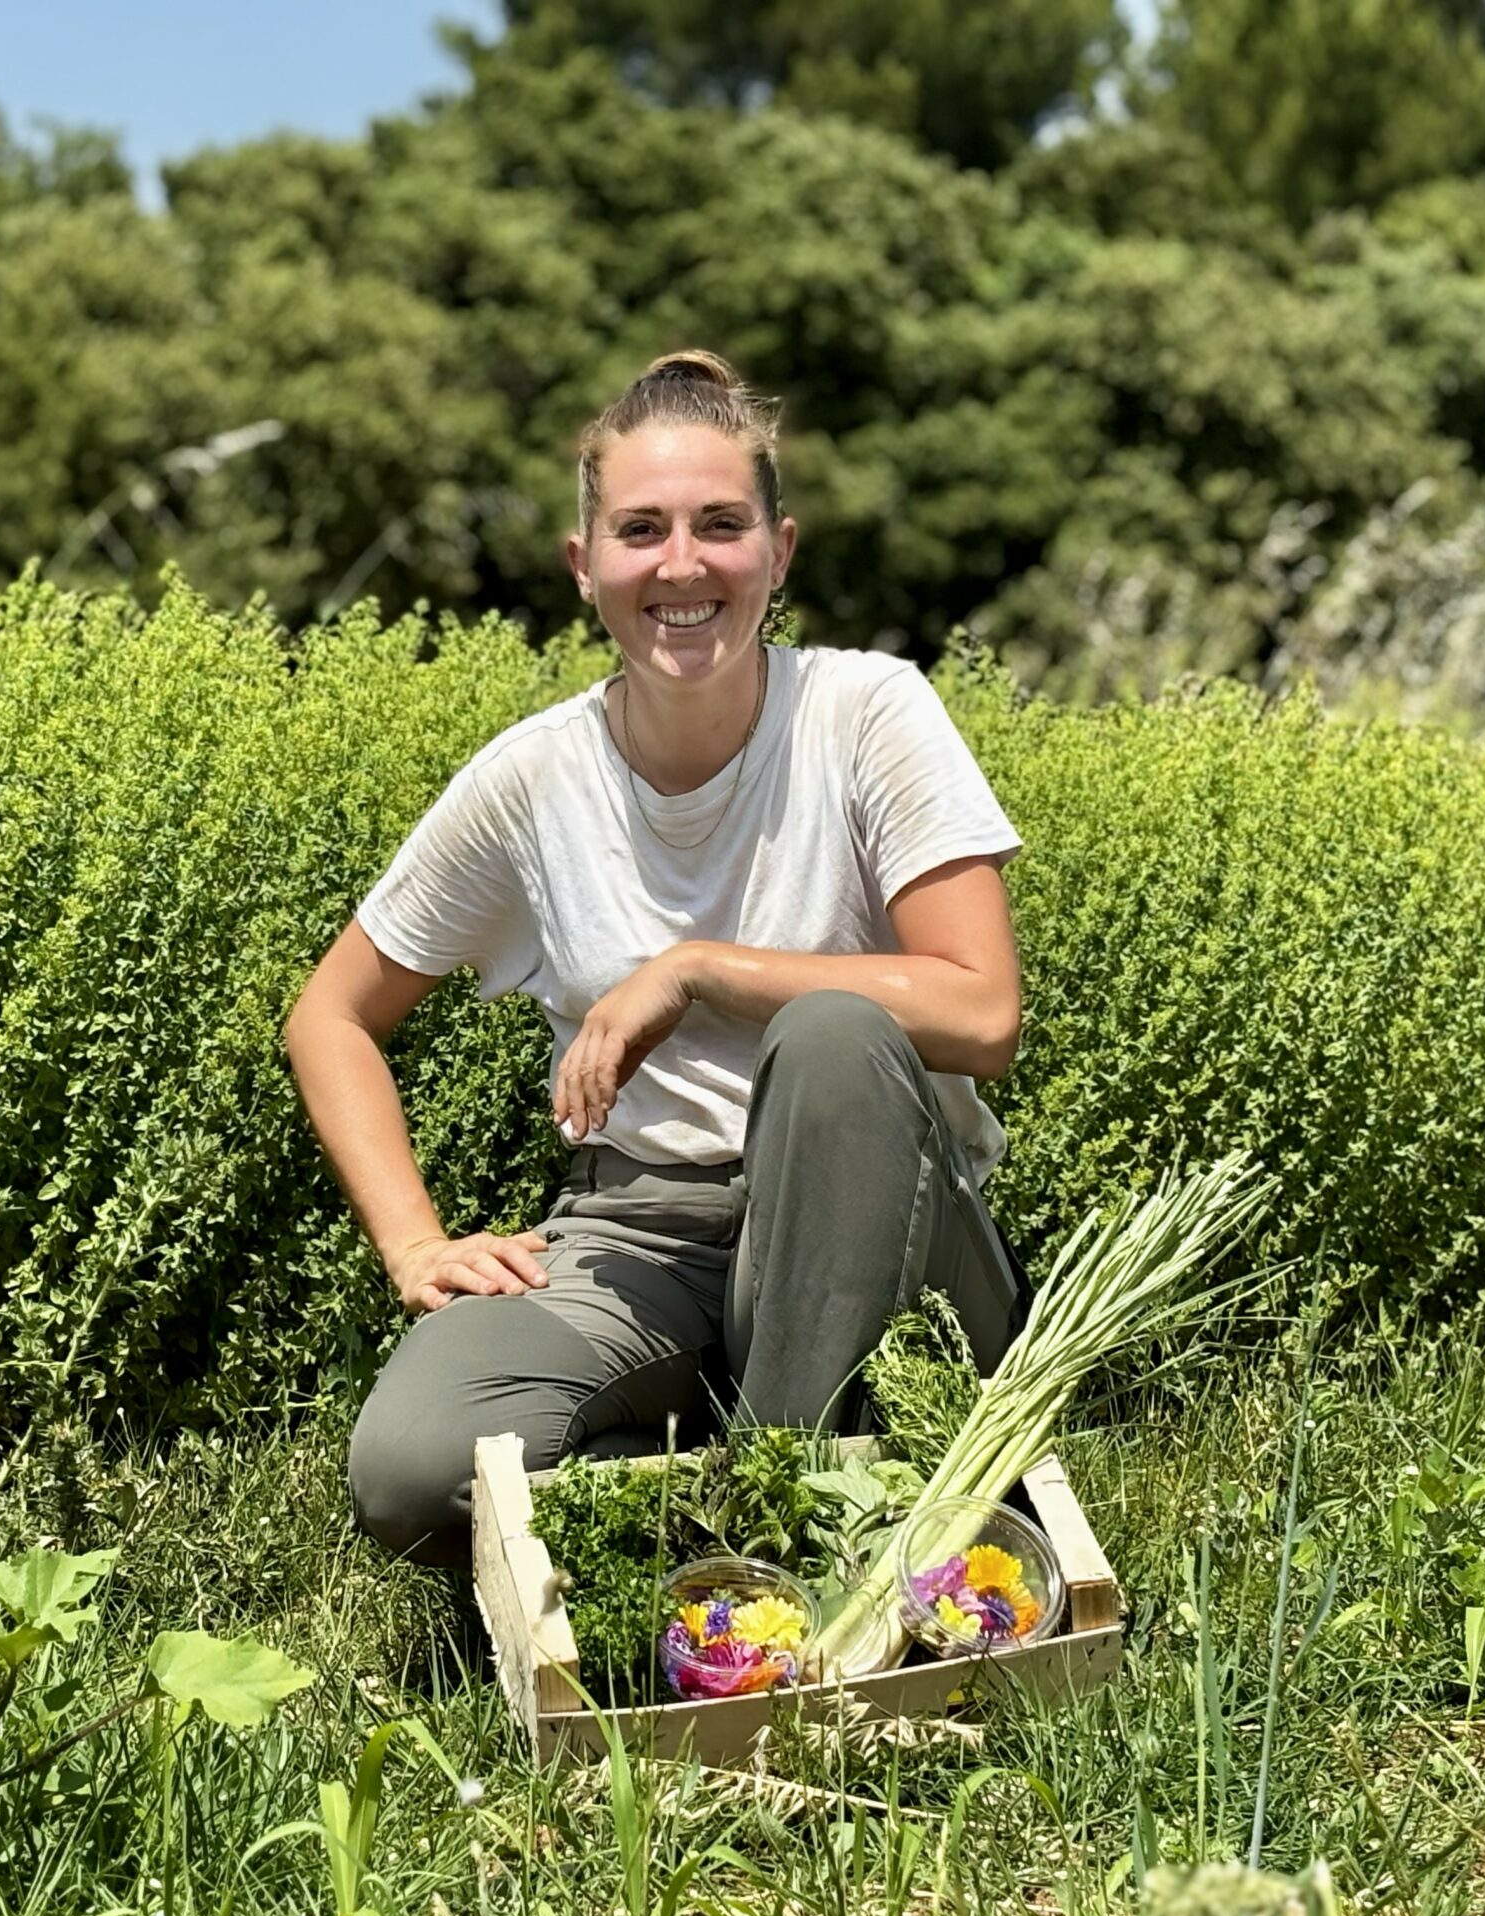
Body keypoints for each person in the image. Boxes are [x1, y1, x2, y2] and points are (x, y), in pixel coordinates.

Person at [285, 349, 1028, 1567]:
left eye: (721, 526)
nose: (682, 566)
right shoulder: (532, 778)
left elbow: (982, 1012)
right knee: (416, 1468)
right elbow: (332, 1018)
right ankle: (754, 1492)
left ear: (779, 553)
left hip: (894, 1239)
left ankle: (770, 1551)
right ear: (586, 568)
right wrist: (413, 1243)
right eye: (641, 530)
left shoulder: (867, 713)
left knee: (834, 1036)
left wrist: (695, 969)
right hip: (639, 1237)